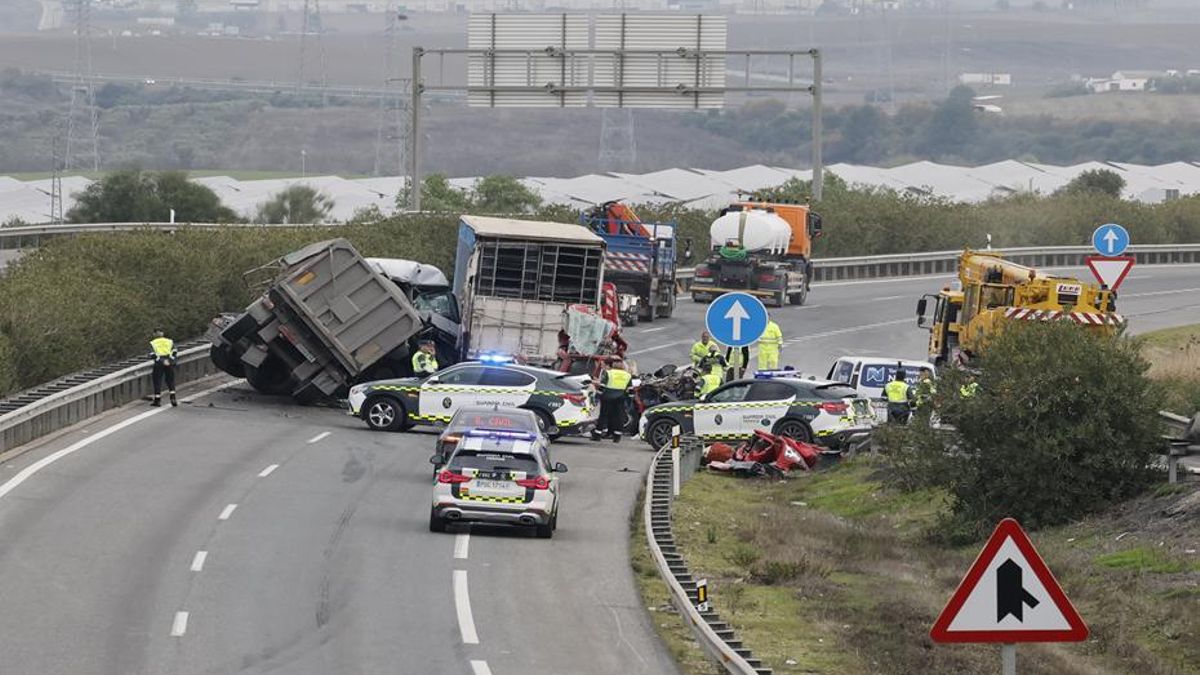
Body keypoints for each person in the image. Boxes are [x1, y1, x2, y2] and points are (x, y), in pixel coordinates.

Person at [592, 359, 633, 443]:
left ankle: (597, 435)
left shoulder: (609, 373)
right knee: (618, 417)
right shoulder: (627, 375)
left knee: (603, 416)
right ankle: (617, 436)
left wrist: (597, 396)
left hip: (607, 397)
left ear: (613, 365)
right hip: (620, 398)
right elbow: (630, 390)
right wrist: (629, 400)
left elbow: (602, 386)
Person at [149, 329, 178, 407]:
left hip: (159, 364)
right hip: (169, 362)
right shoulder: (169, 341)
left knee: (157, 380)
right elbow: (174, 352)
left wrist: (161, 361)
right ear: (163, 333)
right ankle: (173, 398)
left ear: (154, 334)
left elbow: (152, 355)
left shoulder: (153, 343)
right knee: (170, 380)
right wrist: (170, 360)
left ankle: (157, 400)